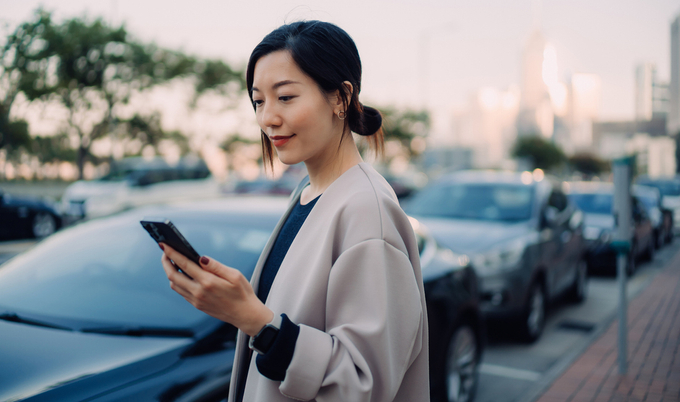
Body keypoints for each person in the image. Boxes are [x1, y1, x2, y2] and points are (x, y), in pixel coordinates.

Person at [160, 20, 429, 402]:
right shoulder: (309, 192)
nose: (267, 118)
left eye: (285, 97)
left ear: (340, 98)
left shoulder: (368, 212)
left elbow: (361, 385)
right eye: (258, 101)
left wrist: (254, 320)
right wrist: (234, 304)